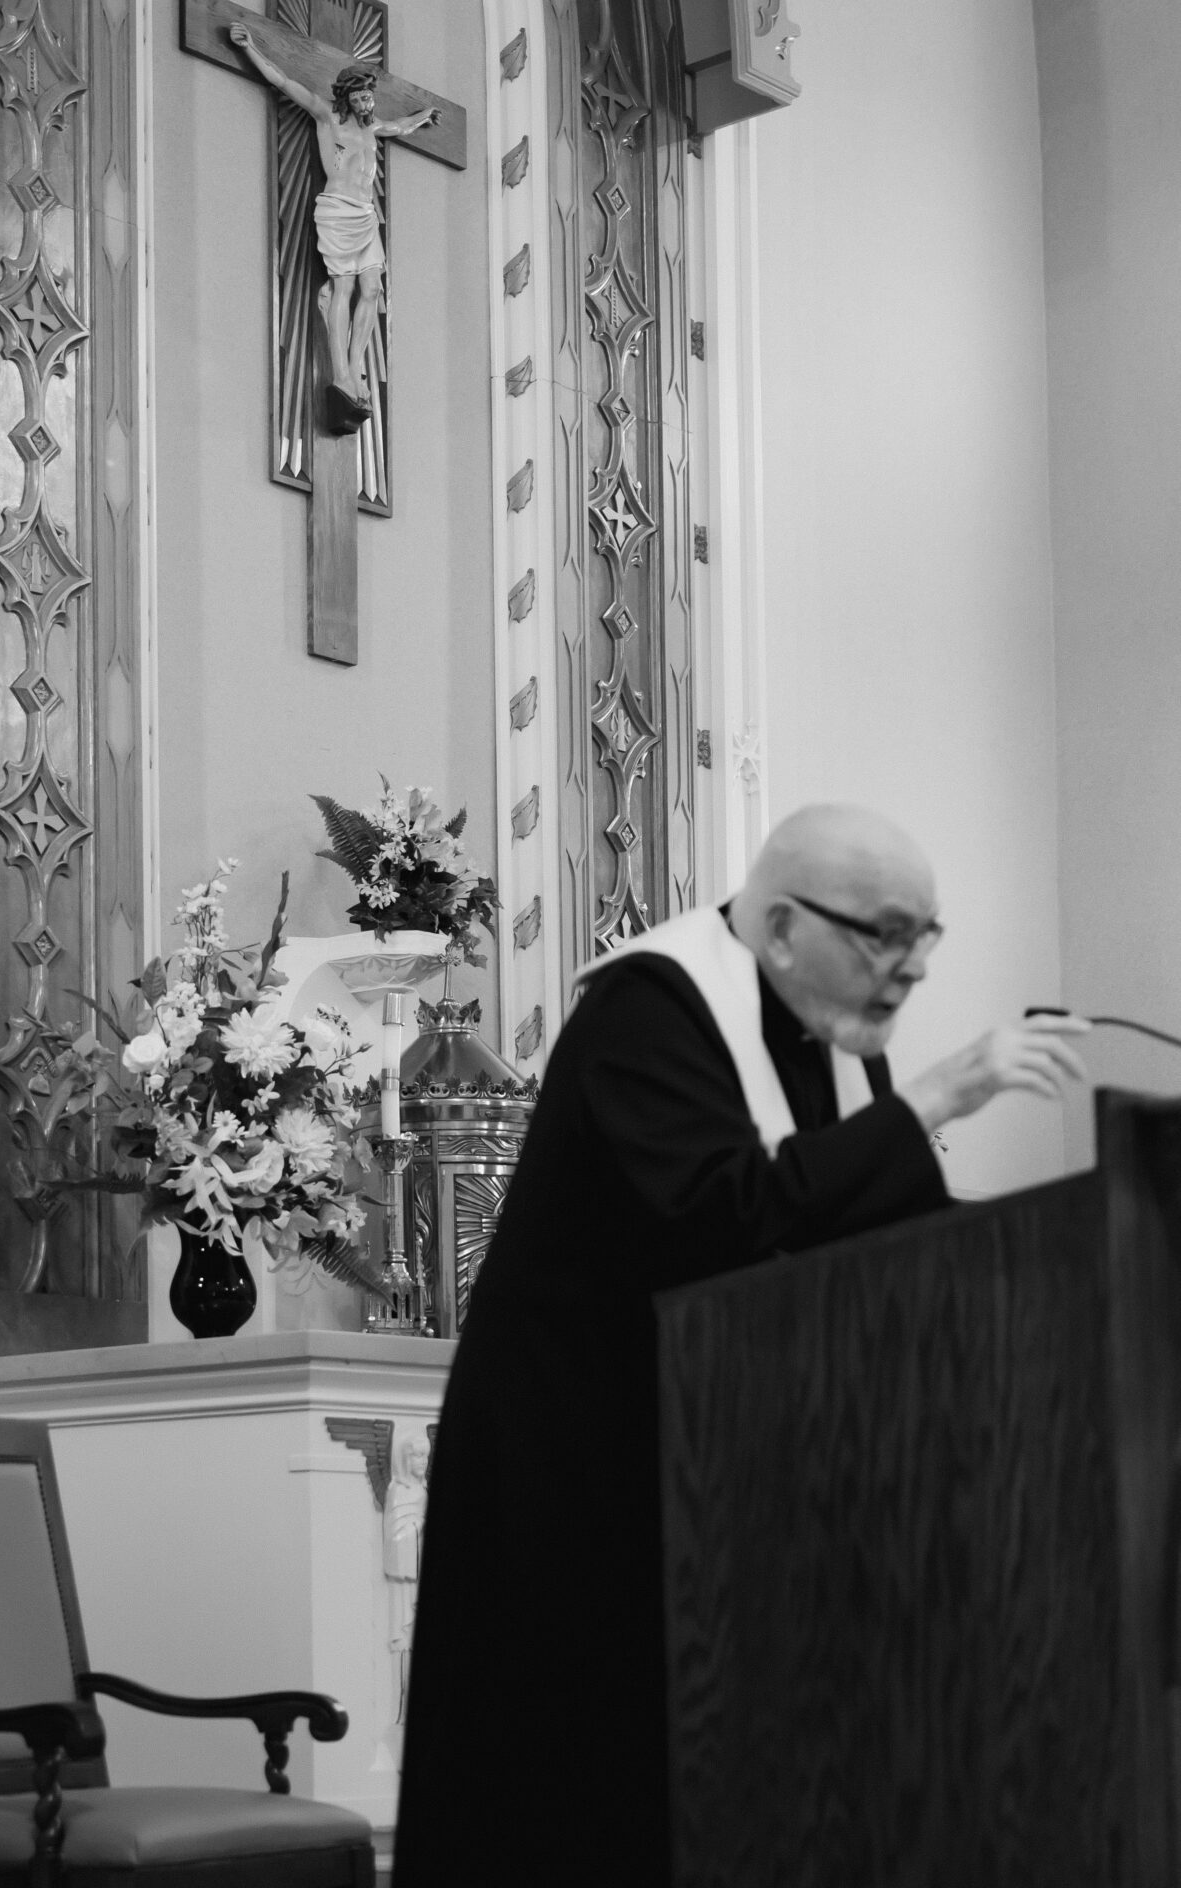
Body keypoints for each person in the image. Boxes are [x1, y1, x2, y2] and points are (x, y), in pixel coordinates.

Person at [391, 804, 1085, 1887]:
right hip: (576, 1477)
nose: (907, 969)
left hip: (719, 1478)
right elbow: (725, 1215)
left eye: (922, 937)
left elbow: (868, 1237)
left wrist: (1060, 1257)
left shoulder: (833, 1043)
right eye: (882, 935)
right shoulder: (647, 1009)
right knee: (570, 1804)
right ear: (776, 927)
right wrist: (945, 1093)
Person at [227, 20, 435, 431]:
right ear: (346, 97)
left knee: (372, 289)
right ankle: (340, 370)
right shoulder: (327, 118)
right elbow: (284, 81)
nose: (365, 102)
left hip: (364, 214)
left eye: (368, 95)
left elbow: (402, 126)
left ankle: (356, 370)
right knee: (344, 287)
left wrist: (424, 114)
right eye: (358, 95)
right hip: (338, 210)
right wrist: (251, 48)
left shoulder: (374, 129)